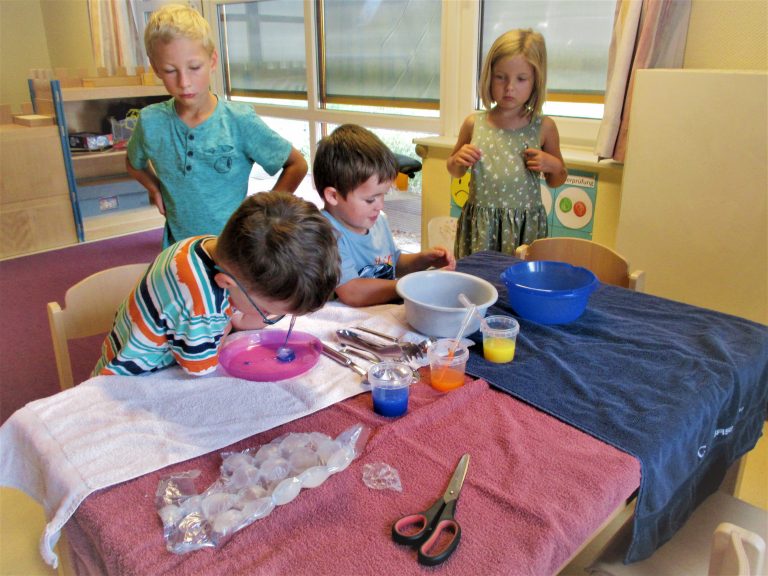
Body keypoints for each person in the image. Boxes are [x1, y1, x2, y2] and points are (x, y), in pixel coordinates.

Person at [92, 192, 340, 376]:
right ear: (226, 282)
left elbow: (237, 317)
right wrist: (226, 328)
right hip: (131, 378)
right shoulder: (199, 304)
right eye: (268, 311)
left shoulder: (214, 247)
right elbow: (200, 367)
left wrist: (247, 316)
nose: (269, 317)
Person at [127, 4, 308, 247]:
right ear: (156, 68)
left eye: (194, 68)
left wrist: (265, 213)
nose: (184, 82)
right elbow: (133, 162)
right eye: (170, 71)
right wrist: (154, 188)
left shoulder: (239, 121)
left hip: (233, 249)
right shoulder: (150, 121)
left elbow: (296, 164)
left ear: (212, 61)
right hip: (178, 251)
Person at [447, 29, 567, 258]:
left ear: (535, 81)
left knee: (518, 287)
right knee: (479, 285)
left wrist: (552, 165)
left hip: (525, 230)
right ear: (489, 77)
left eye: (521, 79)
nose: (509, 87)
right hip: (481, 227)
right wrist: (458, 160)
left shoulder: (544, 127)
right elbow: (454, 169)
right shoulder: (474, 124)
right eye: (501, 77)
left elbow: (557, 178)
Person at [314, 124, 455, 308]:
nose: (380, 205)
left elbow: (393, 264)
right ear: (333, 196)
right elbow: (352, 292)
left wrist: (423, 260)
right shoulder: (326, 234)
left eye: (383, 195)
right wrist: (412, 285)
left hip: (382, 313)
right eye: (370, 199)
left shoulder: (377, 220)